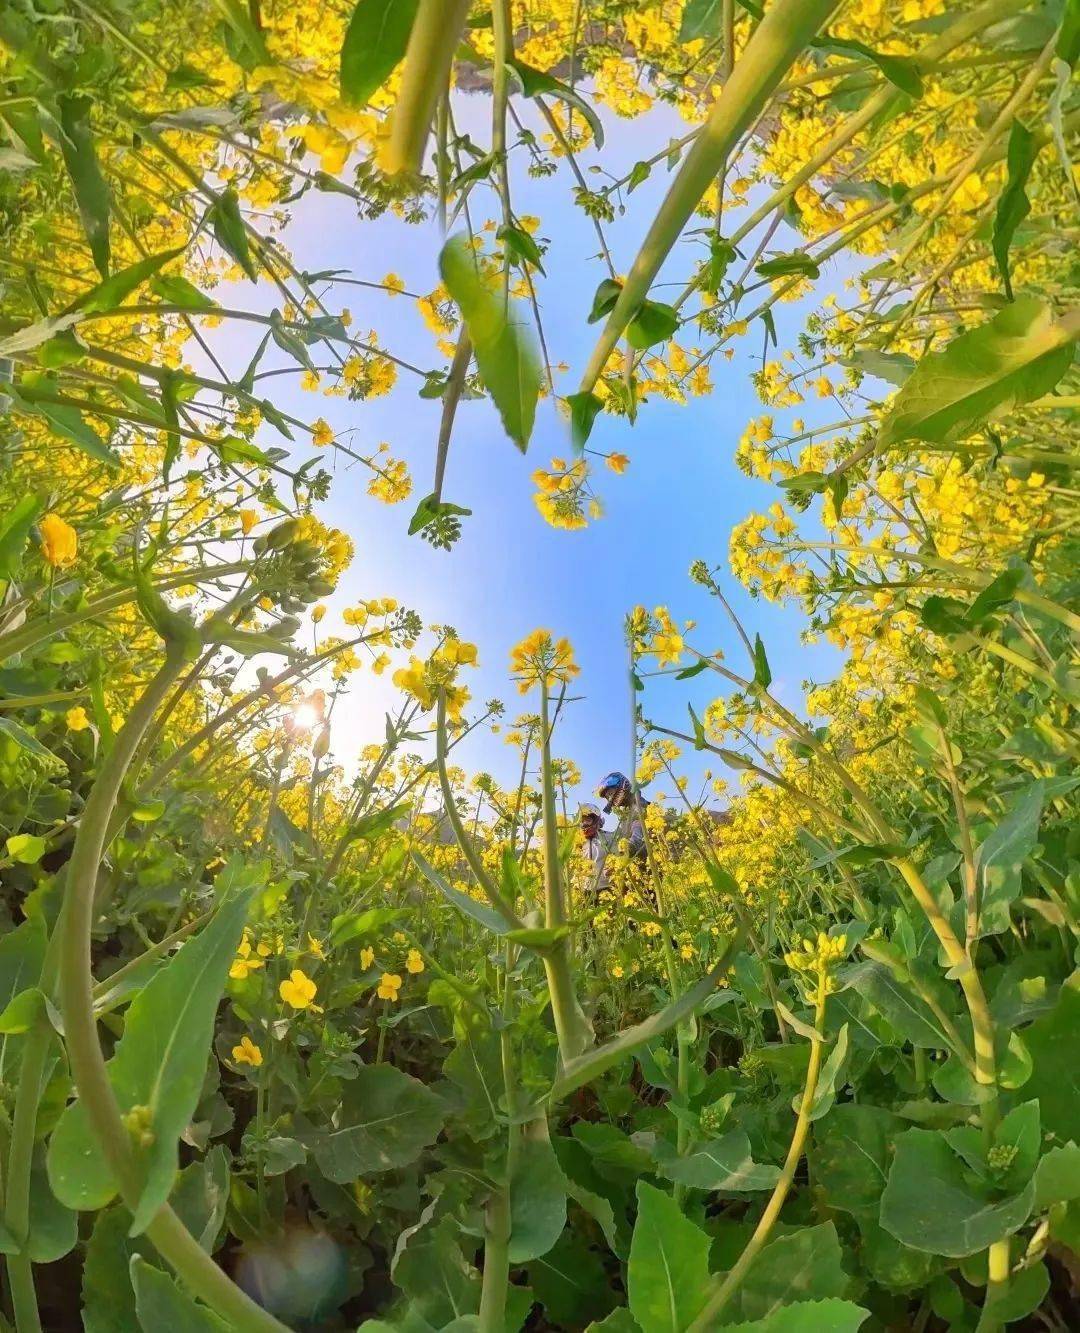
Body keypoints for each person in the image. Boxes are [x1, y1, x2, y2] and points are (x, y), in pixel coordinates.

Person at [596, 771, 649, 864]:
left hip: (653, 864)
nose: (610, 799)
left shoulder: (638, 806)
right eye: (607, 797)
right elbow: (621, 834)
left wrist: (620, 857)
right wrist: (600, 834)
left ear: (623, 785)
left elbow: (637, 836)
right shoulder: (626, 814)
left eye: (611, 793)